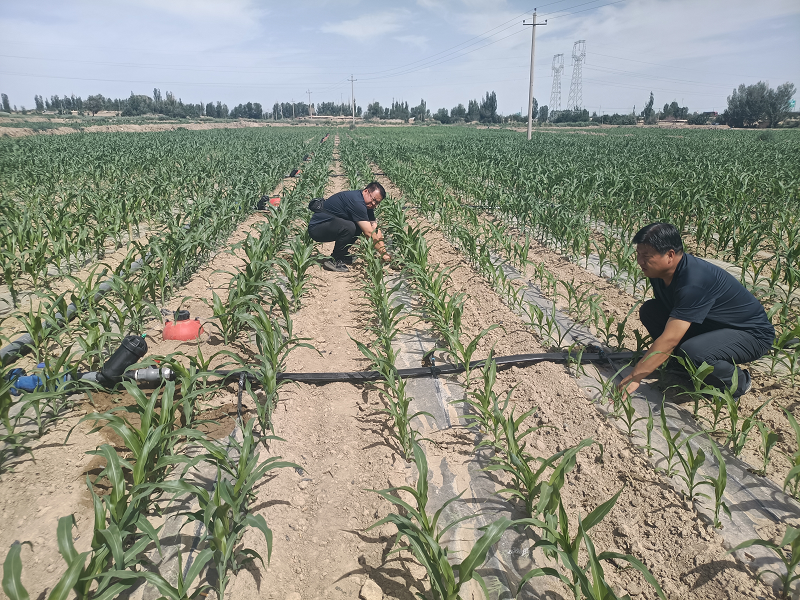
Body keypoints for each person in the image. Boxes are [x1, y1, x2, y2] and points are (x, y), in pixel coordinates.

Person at [618, 223, 774, 400]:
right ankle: (683, 366)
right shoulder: (659, 273)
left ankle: (738, 382)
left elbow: (670, 339)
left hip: (751, 335)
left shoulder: (694, 282)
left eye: (646, 256)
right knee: (651, 311)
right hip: (712, 325)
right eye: (638, 254)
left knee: (694, 351)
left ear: (670, 255)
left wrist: (635, 376)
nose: (640, 261)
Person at [307, 182, 390, 272]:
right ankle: (334, 260)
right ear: (366, 191)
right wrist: (384, 254)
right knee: (350, 227)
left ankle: (342, 255)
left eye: (377, 203)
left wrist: (384, 252)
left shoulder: (367, 205)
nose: (374, 204)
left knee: (358, 226)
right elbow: (369, 233)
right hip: (317, 228)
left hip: (330, 224)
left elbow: (375, 229)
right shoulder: (357, 202)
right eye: (373, 199)